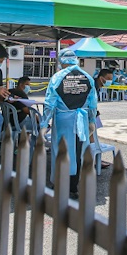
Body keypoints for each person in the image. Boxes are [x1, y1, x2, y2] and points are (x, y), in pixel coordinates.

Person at [42, 51, 98, 199]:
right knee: (79, 153)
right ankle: (74, 187)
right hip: (82, 120)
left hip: (63, 121)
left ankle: (60, 185)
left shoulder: (57, 77)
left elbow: (49, 103)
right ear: (75, 60)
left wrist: (44, 123)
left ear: (62, 61)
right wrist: (92, 121)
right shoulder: (88, 77)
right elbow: (93, 104)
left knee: (61, 151)